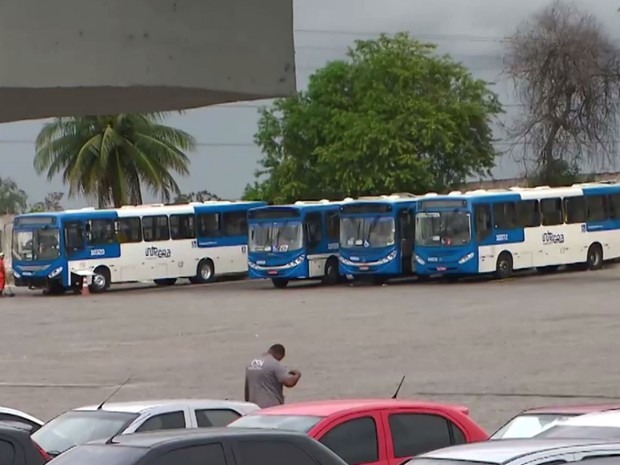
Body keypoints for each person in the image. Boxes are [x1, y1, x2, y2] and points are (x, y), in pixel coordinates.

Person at [244, 343, 301, 408]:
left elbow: (247, 390)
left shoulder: (251, 364)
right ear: (279, 355)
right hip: (271, 407)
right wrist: (297, 375)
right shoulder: (274, 363)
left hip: (254, 407)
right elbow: (289, 382)